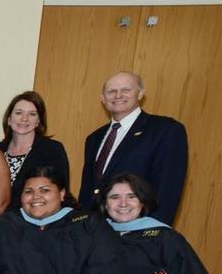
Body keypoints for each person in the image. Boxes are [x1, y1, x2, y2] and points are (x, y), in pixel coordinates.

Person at [79, 71, 189, 224]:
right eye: (111, 91)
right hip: (95, 234)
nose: (118, 95)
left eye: (126, 90)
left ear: (140, 94)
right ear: (103, 99)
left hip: (137, 233)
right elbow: (88, 190)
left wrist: (151, 233)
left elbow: (168, 188)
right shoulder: (94, 138)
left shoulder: (165, 130)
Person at [0, 91, 68, 212]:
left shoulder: (52, 149)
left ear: (38, 121)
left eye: (32, 114)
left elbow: (61, 190)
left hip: (36, 221)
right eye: (18, 113)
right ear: (9, 119)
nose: (24, 119)